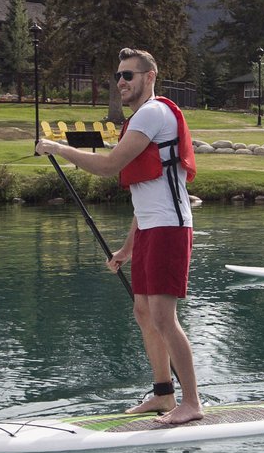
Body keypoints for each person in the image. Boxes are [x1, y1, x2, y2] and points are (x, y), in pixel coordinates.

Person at [34, 47, 202, 426]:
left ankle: (192, 403)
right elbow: (146, 194)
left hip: (170, 229)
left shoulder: (155, 112)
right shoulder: (141, 119)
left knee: (162, 315)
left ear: (150, 77)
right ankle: (163, 395)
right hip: (149, 229)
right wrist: (128, 247)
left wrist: (59, 148)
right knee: (143, 312)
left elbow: (110, 166)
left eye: (129, 75)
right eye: (118, 76)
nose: (122, 82)